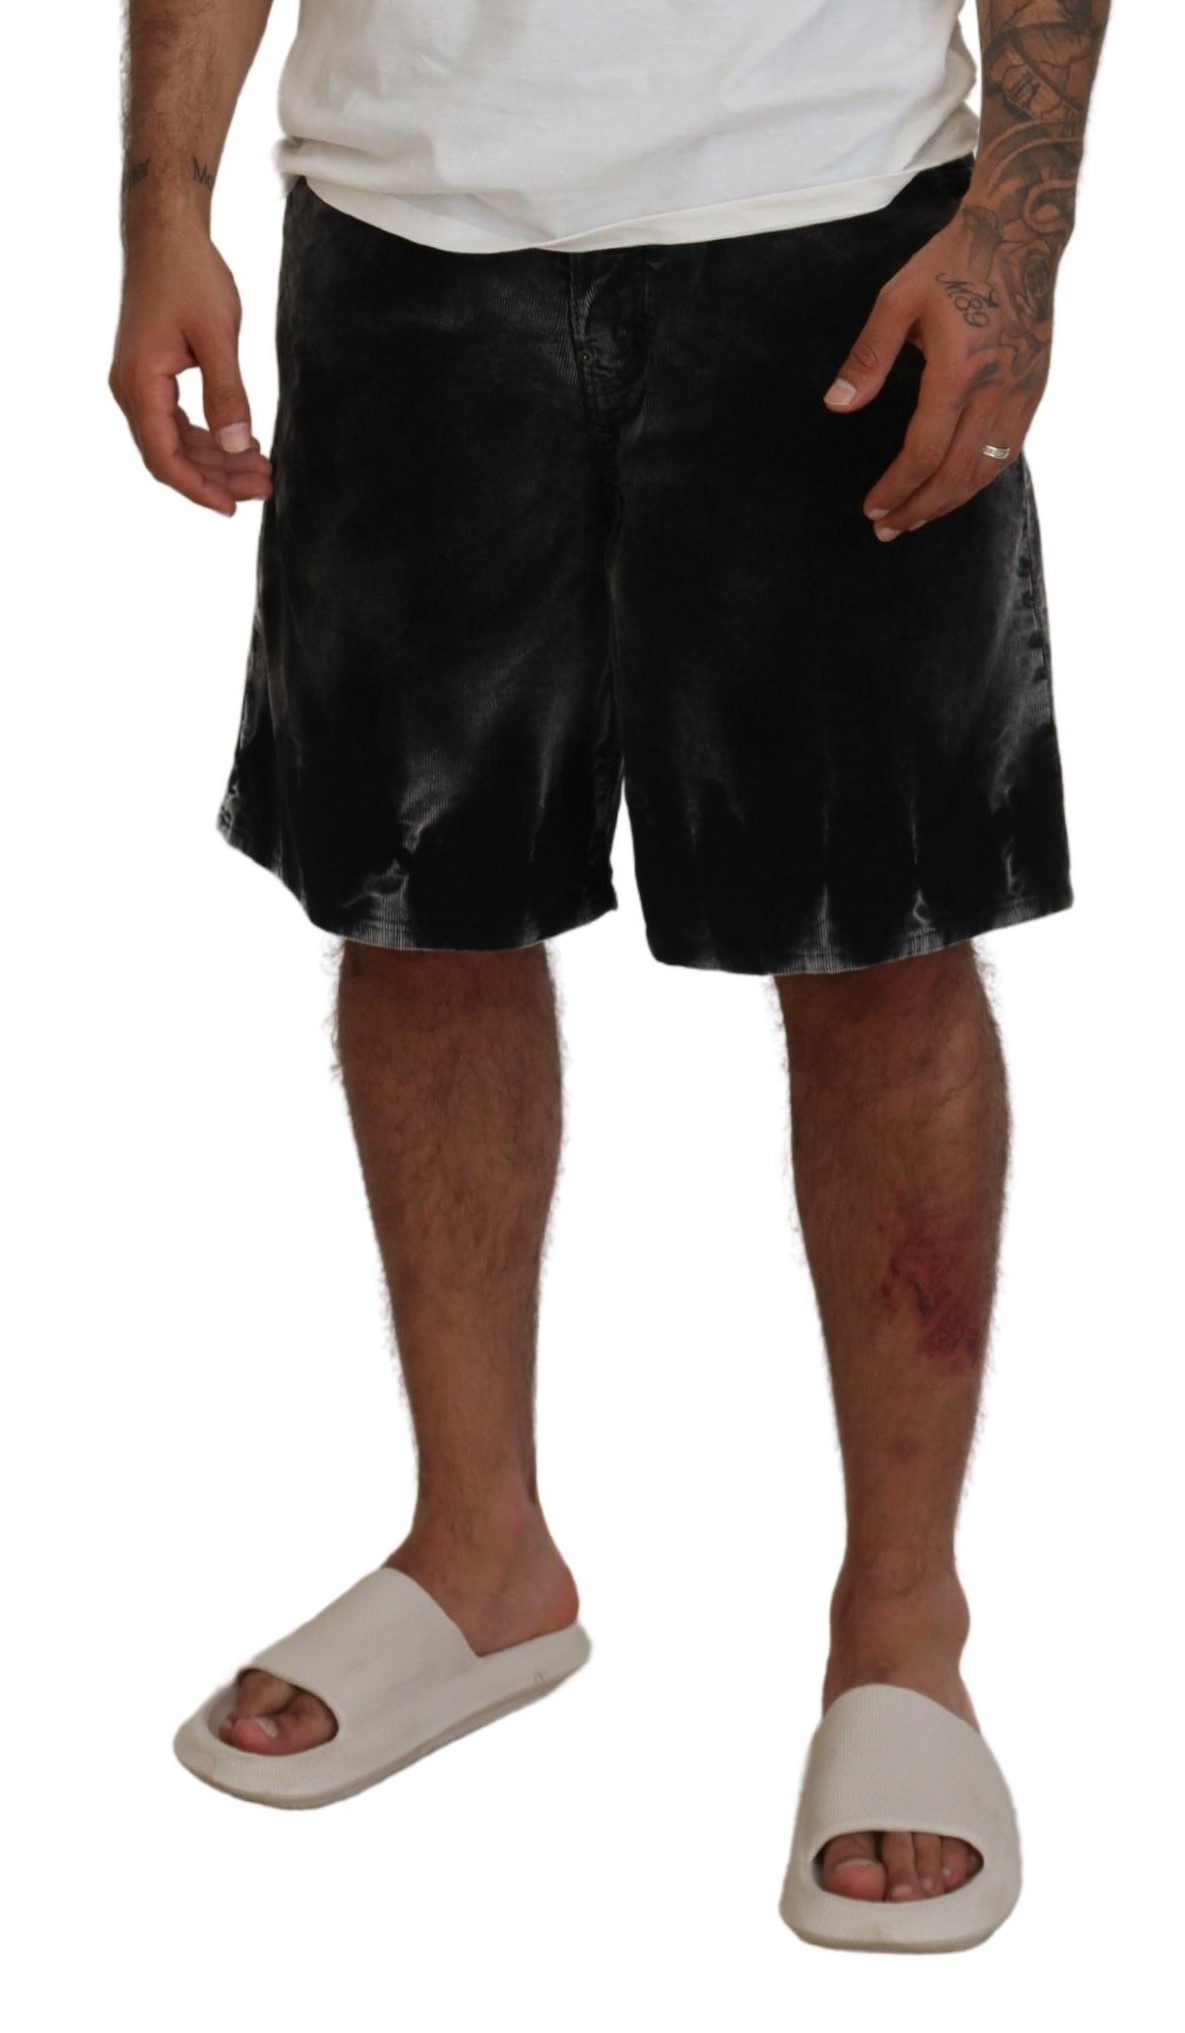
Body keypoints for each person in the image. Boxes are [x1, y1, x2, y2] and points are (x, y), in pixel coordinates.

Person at [110, 0, 1110, 1952]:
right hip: (402, 232)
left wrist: (1016, 224)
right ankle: (478, 1555)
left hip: (831, 224)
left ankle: (901, 1630)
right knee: (417, 906)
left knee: (882, 933)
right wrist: (164, 207)